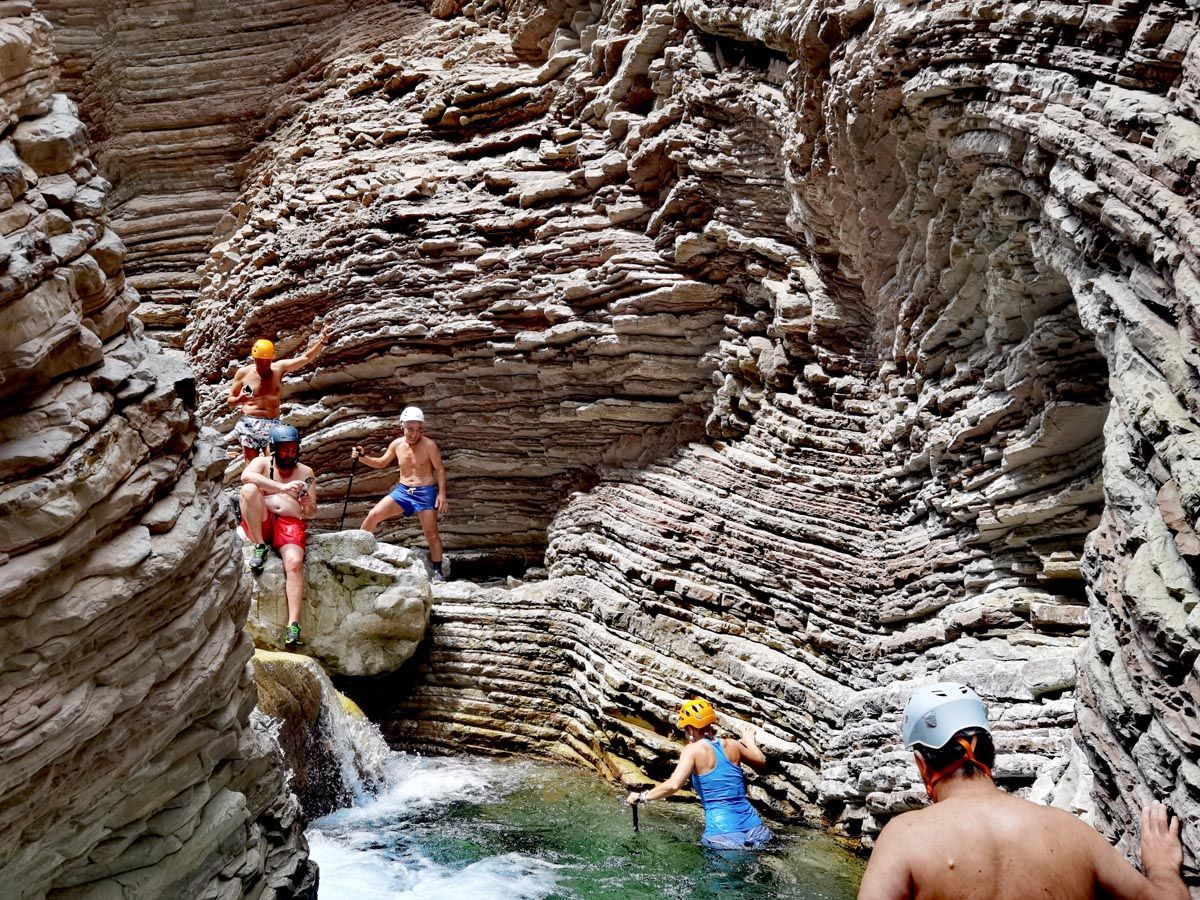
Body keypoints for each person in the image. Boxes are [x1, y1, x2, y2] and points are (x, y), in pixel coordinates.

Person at [857, 682, 1188, 900]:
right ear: (990, 754)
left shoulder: (905, 837)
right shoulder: (1073, 834)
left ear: (921, 764)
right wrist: (1162, 869)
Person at [625, 697, 773, 849]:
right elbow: (761, 761)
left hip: (722, 835)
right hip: (757, 830)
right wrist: (749, 741)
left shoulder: (692, 750)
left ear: (691, 729)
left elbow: (673, 785)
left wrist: (642, 797)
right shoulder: (732, 744)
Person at [238, 425, 318, 646]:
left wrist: (307, 503)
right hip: (262, 522)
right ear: (274, 449)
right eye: (285, 450)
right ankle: (260, 546)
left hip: (289, 524)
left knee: (294, 563)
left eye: (293, 450)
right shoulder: (262, 463)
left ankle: (293, 625)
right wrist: (282, 488)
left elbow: (311, 513)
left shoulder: (306, 472)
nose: (290, 454)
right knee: (248, 490)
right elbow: (245, 477)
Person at [352, 406, 449, 583]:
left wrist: (441, 494)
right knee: (373, 515)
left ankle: (437, 571)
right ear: (402, 426)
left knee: (431, 533)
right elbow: (381, 463)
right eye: (410, 429)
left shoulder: (429, 445)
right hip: (403, 490)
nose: (414, 434)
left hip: (424, 492)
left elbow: (440, 469)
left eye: (418, 429)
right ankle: (357, 552)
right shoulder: (397, 445)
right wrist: (362, 458)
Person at [227, 326, 329, 461]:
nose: (263, 364)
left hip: (272, 423)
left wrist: (323, 341)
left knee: (274, 462)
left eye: (266, 361)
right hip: (249, 423)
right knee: (252, 465)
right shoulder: (243, 373)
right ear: (254, 358)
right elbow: (230, 402)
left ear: (272, 358)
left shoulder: (279, 369)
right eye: (260, 361)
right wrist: (239, 399)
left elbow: (305, 358)